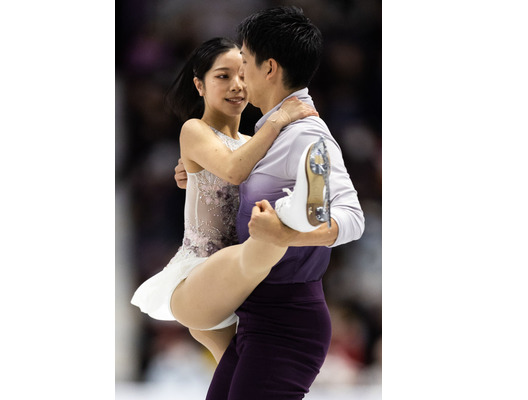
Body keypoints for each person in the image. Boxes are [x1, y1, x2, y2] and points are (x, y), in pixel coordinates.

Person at [173, 7, 365, 400]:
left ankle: (292, 218)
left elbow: (353, 217)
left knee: (264, 242)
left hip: (288, 320)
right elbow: (230, 172)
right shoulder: (264, 135)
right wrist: (193, 174)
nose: (240, 77)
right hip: (255, 314)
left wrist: (288, 234)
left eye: (243, 63)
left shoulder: (307, 133)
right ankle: (287, 220)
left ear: (269, 68)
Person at [130, 37, 328, 363]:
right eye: (223, 76)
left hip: (243, 289)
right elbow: (234, 171)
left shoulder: (253, 142)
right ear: (199, 84)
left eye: (242, 75)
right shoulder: (194, 130)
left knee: (241, 382)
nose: (236, 85)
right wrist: (278, 119)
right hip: (203, 276)